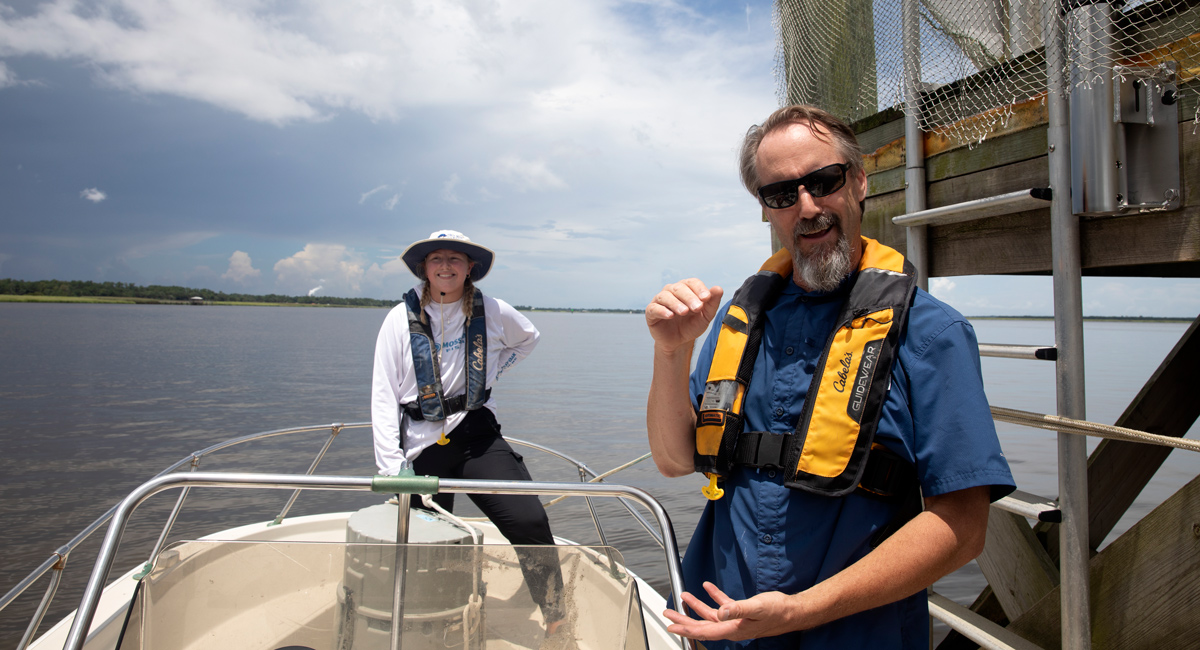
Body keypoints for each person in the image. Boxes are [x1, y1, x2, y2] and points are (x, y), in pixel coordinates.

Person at [644, 105, 1015, 649]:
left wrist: (798, 612)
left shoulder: (933, 333)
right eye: (781, 194)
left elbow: (962, 527)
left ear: (860, 182)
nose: (808, 207)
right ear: (766, 210)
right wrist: (670, 353)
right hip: (715, 629)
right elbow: (674, 461)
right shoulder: (735, 324)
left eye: (824, 181)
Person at [371, 229, 568, 644]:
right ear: (424, 268)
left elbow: (528, 339)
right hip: (421, 444)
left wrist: (495, 367)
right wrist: (392, 467)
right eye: (436, 259)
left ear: (470, 268)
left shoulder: (493, 311)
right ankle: (433, 620)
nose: (446, 267)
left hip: (476, 433)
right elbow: (383, 393)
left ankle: (555, 614)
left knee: (529, 518)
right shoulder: (397, 319)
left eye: (455, 259)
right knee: (427, 546)